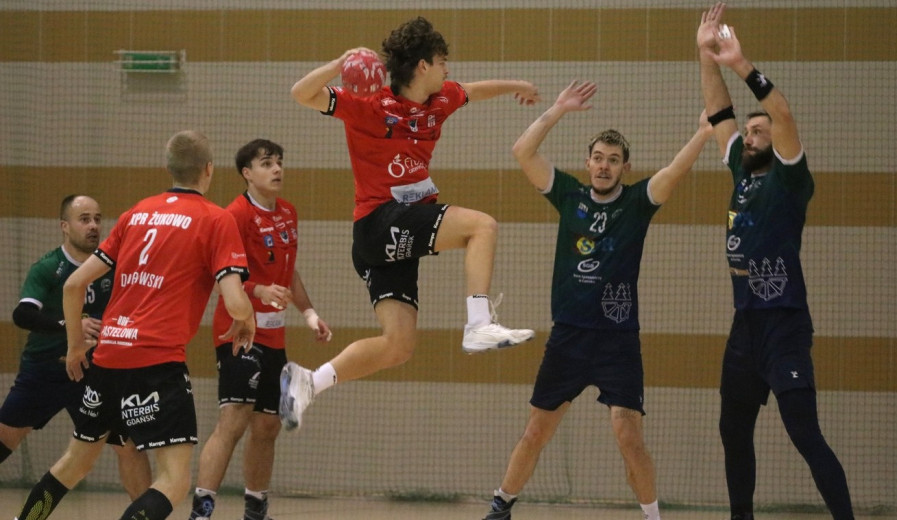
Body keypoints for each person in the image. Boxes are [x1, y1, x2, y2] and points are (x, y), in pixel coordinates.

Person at [279, 16, 539, 430]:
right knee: (482, 227)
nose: (448, 69)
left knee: (398, 346)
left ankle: (309, 382)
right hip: (380, 221)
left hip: (390, 237)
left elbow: (474, 90)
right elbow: (301, 93)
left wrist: (517, 86)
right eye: (442, 61)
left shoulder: (441, 99)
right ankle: (478, 324)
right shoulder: (368, 104)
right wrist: (340, 63)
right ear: (423, 65)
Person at [480, 81, 713, 520]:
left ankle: (653, 517)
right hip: (568, 338)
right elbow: (522, 152)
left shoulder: (638, 202)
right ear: (588, 163)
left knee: (629, 437)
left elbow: (674, 171)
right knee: (535, 432)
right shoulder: (569, 196)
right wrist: (558, 109)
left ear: (626, 167)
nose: (604, 166)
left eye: (613, 160)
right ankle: (501, 506)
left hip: (617, 341)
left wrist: (703, 133)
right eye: (599, 158)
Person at [14, 130, 255, 520]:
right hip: (157, 362)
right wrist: (247, 316)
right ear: (208, 170)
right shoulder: (216, 219)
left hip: (108, 357)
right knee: (174, 480)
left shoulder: (136, 213)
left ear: (169, 168)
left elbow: (74, 285)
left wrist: (75, 346)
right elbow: (234, 301)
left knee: (75, 462)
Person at [697, 4, 854, 519]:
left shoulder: (790, 179)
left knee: (805, 433)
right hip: (745, 326)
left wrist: (740, 65)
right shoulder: (741, 173)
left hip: (784, 323)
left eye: (758, 131)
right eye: (749, 131)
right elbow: (719, 112)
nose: (750, 135)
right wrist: (706, 56)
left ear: (776, 142)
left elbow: (782, 115)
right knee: (732, 430)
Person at [189, 139, 333, 520]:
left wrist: (309, 313)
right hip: (240, 332)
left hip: (275, 335)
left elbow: (289, 272)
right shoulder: (233, 215)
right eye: (267, 163)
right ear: (247, 173)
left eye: (279, 162)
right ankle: (201, 512)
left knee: (268, 425)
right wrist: (258, 290)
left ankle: (255, 511)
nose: (277, 169)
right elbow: (219, 275)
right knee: (234, 420)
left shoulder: (288, 213)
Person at [0, 194, 152, 500]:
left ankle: (145, 514)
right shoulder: (49, 268)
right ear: (64, 226)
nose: (93, 226)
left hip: (94, 375)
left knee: (128, 445)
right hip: (45, 371)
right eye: (84, 219)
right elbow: (22, 315)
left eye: (97, 219)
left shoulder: (113, 267)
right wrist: (71, 326)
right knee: (6, 437)